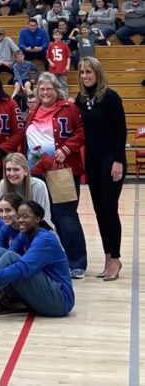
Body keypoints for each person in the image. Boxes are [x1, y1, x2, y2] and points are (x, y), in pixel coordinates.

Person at [20, 72, 87, 278]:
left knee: (65, 216)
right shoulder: (33, 111)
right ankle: (52, 258)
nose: (45, 92)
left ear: (56, 90)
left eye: (49, 88)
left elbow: (81, 132)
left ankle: (77, 262)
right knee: (42, 216)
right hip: (36, 171)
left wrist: (67, 149)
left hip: (62, 170)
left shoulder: (69, 109)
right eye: (41, 89)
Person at [76, 57, 126, 281]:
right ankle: (107, 256)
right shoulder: (81, 99)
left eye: (88, 71)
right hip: (93, 160)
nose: (85, 75)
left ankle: (115, 257)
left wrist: (118, 161)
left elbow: (121, 131)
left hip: (111, 159)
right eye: (82, 72)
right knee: (99, 210)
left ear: (97, 73)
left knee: (109, 208)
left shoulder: (110, 97)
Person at [0, 152, 52, 226]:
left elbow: (44, 217)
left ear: (26, 171)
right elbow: (3, 214)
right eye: (8, 170)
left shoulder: (38, 185)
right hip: (13, 228)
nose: (12, 174)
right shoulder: (3, 184)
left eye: (16, 169)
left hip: (37, 229)